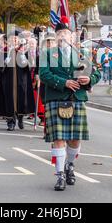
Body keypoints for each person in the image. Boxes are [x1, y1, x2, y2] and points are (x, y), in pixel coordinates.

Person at [39, 17, 101, 191]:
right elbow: (44, 75)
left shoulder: (82, 54)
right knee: (58, 139)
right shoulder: (47, 54)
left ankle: (70, 165)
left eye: (65, 33)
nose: (62, 36)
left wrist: (89, 79)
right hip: (55, 99)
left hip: (76, 99)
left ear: (72, 36)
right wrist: (63, 83)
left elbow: (96, 74)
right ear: (55, 36)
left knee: (75, 139)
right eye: (59, 34)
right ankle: (59, 176)